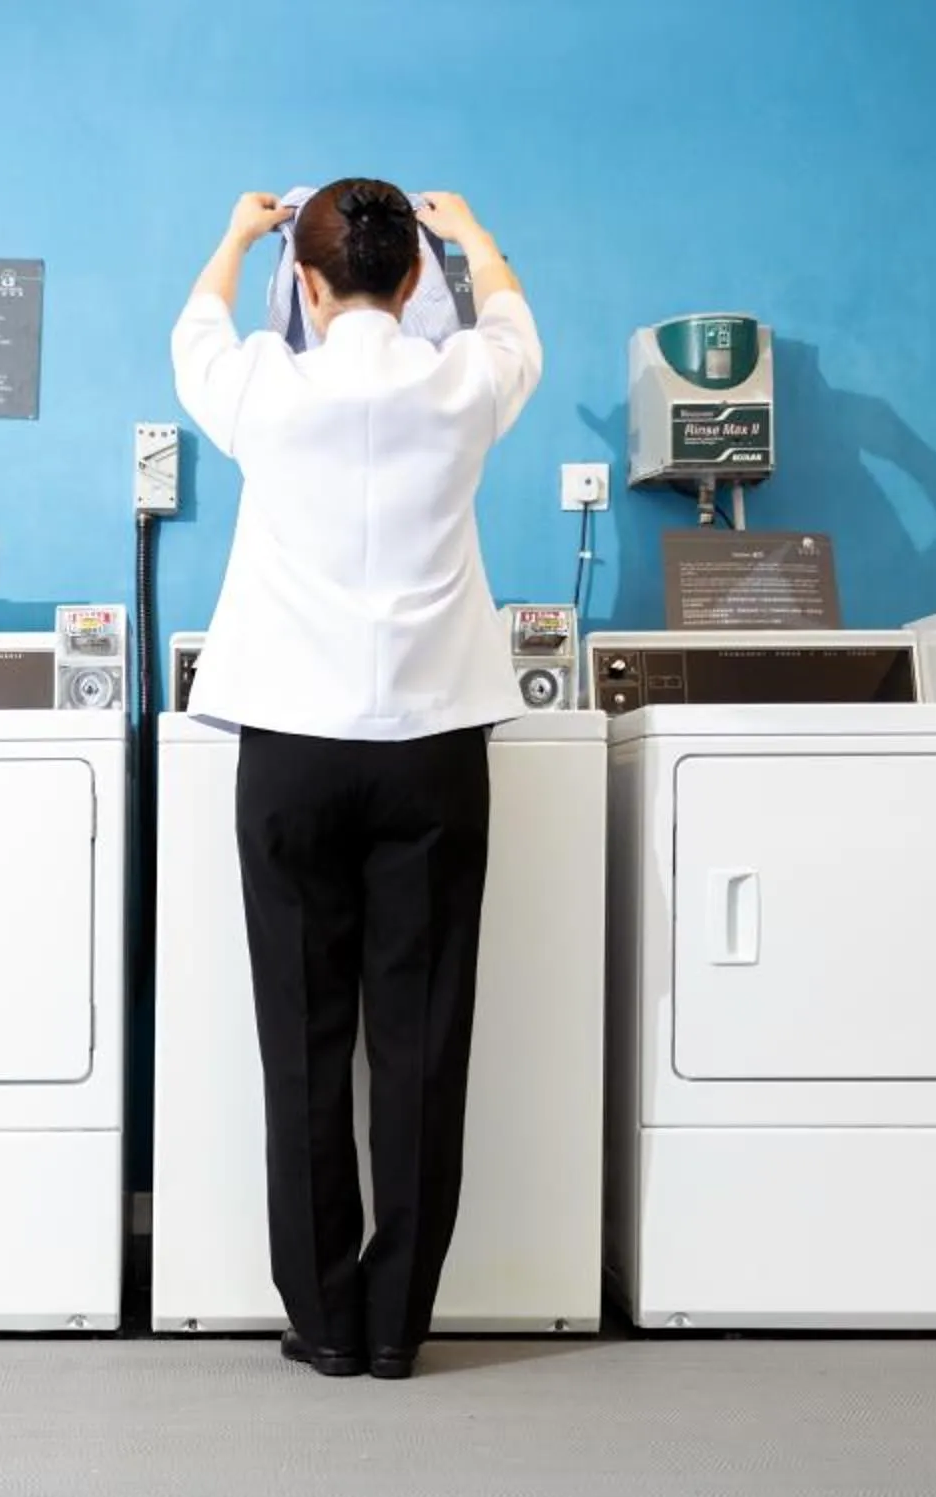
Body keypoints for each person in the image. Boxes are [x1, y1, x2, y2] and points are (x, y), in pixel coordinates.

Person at [171, 181, 540, 1381]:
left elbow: (196, 334)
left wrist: (237, 236)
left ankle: (324, 1320)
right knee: (424, 1046)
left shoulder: (265, 387)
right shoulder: (467, 380)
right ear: (417, 280)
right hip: (434, 751)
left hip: (290, 748)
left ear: (309, 284)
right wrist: (470, 235)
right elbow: (519, 324)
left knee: (304, 1037)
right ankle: (396, 1327)